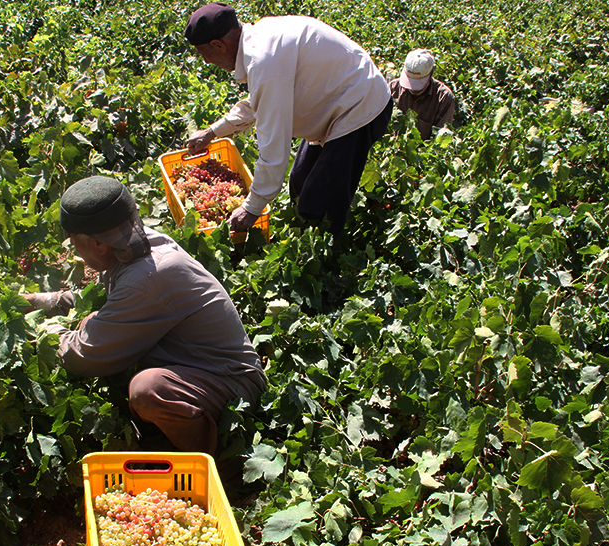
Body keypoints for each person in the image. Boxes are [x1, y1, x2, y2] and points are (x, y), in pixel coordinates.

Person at [24, 175, 267, 454]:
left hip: (232, 386)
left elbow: (83, 356)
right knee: (93, 322)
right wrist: (42, 301)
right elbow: (105, 298)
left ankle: (214, 460)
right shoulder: (133, 244)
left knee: (148, 390)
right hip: (195, 365)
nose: (75, 254)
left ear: (98, 244)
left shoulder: (147, 277)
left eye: (75, 245)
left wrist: (46, 333)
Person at [184, 3, 392, 245]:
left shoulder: (264, 61)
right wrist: (213, 131)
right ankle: (304, 238)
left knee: (318, 203)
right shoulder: (262, 41)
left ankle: (325, 264)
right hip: (335, 103)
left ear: (218, 45)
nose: (207, 62)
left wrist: (252, 208)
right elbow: (261, 100)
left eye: (204, 54)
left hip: (360, 106)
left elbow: (273, 149)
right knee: (300, 182)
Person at [388, 49, 456, 140]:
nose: (412, 88)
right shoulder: (393, 89)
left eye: (418, 82)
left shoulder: (443, 97)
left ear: (431, 73)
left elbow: (441, 140)